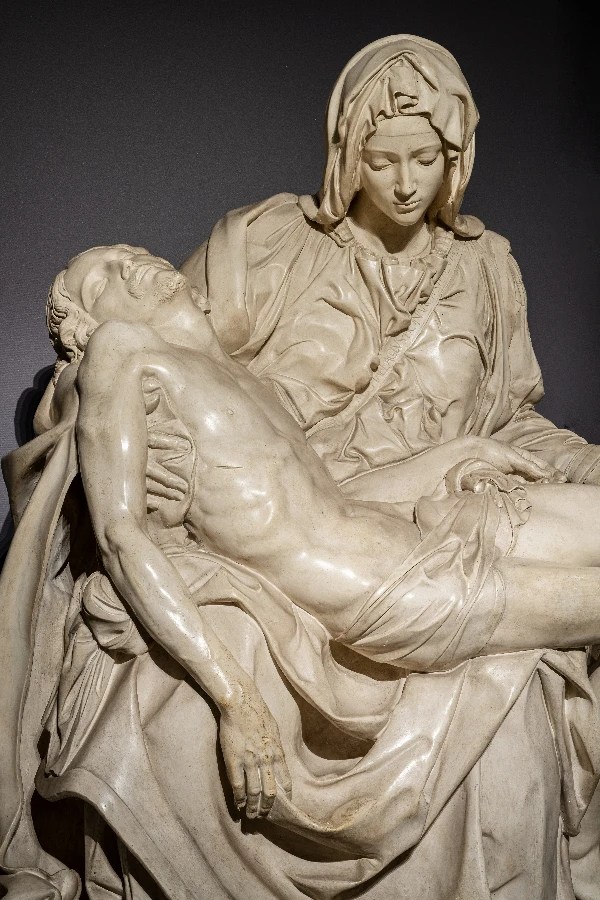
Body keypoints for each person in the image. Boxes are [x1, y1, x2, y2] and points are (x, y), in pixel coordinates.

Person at [2, 243, 600, 900]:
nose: (129, 261)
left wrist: (460, 453)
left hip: (417, 540)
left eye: (127, 251)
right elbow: (120, 537)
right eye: (102, 277)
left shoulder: (234, 376)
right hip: (390, 595)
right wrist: (235, 698)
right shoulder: (120, 352)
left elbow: (331, 500)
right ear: (86, 329)